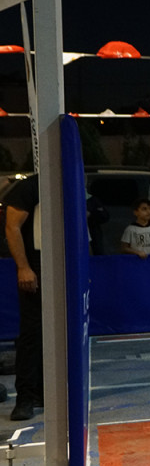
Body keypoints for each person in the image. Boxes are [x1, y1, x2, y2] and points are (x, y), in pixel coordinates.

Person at [4, 174, 41, 418]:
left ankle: (44, 391)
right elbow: (12, 226)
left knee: (58, 334)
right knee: (32, 332)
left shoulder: (70, 182)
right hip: (36, 267)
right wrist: (24, 267)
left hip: (62, 268)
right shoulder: (31, 186)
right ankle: (25, 397)